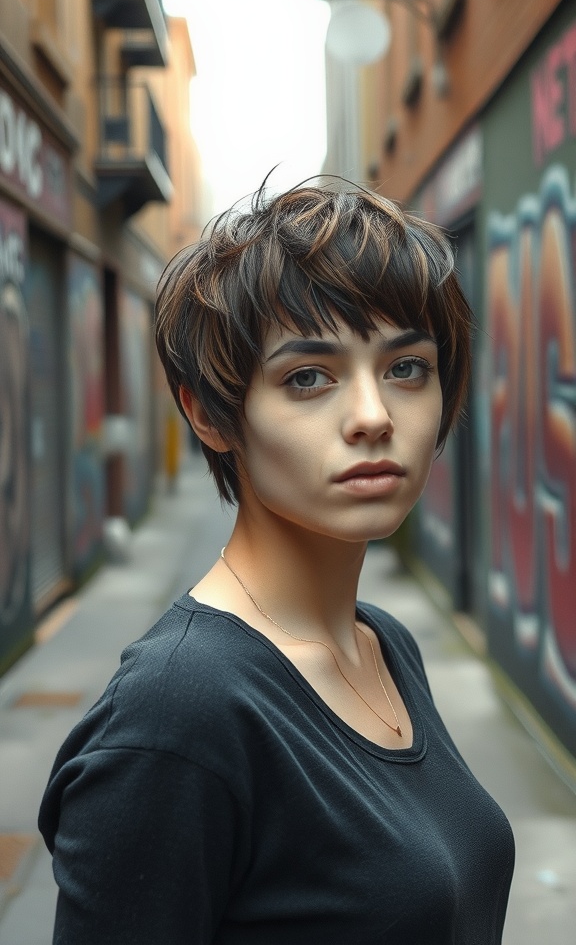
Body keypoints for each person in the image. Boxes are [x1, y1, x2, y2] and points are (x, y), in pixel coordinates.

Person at [39, 180, 515, 944]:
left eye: (406, 368)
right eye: (307, 378)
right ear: (209, 412)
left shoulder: (384, 644)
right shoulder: (176, 718)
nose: (372, 416)